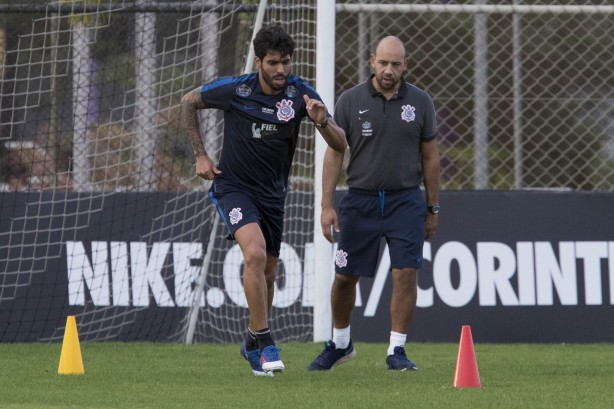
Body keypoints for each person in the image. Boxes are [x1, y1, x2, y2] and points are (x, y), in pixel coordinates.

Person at [181, 26, 346, 376]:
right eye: (273, 62)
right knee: (254, 254)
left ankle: (251, 342)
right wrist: (200, 154)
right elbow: (188, 101)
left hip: (273, 196)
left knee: (269, 272)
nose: (280, 70)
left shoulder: (301, 94)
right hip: (234, 188)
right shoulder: (235, 89)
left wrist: (322, 123)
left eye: (286, 62)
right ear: (258, 61)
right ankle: (266, 340)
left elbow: (340, 143)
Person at [307, 36, 440, 371]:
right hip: (360, 200)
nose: (389, 70)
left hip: (405, 201)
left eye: (396, 64)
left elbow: (430, 157)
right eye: (383, 63)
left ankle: (396, 351)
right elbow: (335, 151)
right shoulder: (351, 100)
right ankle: (340, 344)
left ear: (405, 65)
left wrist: (432, 207)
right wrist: (326, 204)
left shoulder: (421, 102)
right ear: (372, 61)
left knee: (405, 274)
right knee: (344, 278)